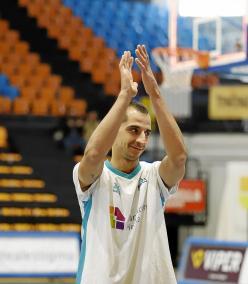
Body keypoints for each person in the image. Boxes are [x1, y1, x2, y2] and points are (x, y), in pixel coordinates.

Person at [73, 45, 187, 284]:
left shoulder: (154, 176)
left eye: (146, 132)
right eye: (134, 130)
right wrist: (125, 95)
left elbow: (178, 159)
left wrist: (154, 93)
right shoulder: (97, 177)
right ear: (114, 132)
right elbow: (93, 155)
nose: (142, 139)